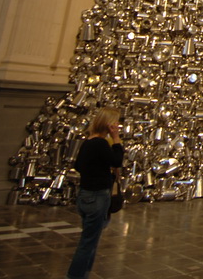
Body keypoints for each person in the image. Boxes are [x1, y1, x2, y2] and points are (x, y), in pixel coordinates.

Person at [66, 107, 124, 279]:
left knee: (91, 238)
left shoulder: (89, 141)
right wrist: (116, 139)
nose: (118, 125)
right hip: (97, 195)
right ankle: (75, 276)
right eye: (115, 122)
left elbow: (78, 166)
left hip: (85, 194)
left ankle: (84, 274)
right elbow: (117, 160)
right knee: (88, 242)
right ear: (108, 124)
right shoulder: (100, 143)